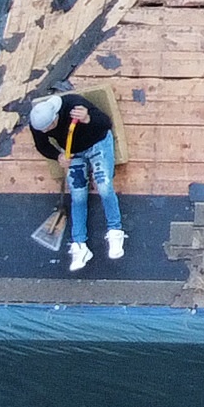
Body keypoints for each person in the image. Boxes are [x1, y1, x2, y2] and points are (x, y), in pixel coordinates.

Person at [27, 88, 121, 271]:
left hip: (97, 142)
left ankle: (115, 231)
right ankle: (80, 244)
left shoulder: (72, 105)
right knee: (77, 195)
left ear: (55, 117)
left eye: (48, 127)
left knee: (104, 186)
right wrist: (58, 156)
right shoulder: (38, 124)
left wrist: (88, 119)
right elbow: (42, 145)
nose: (45, 131)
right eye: (42, 129)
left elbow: (105, 123)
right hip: (73, 152)